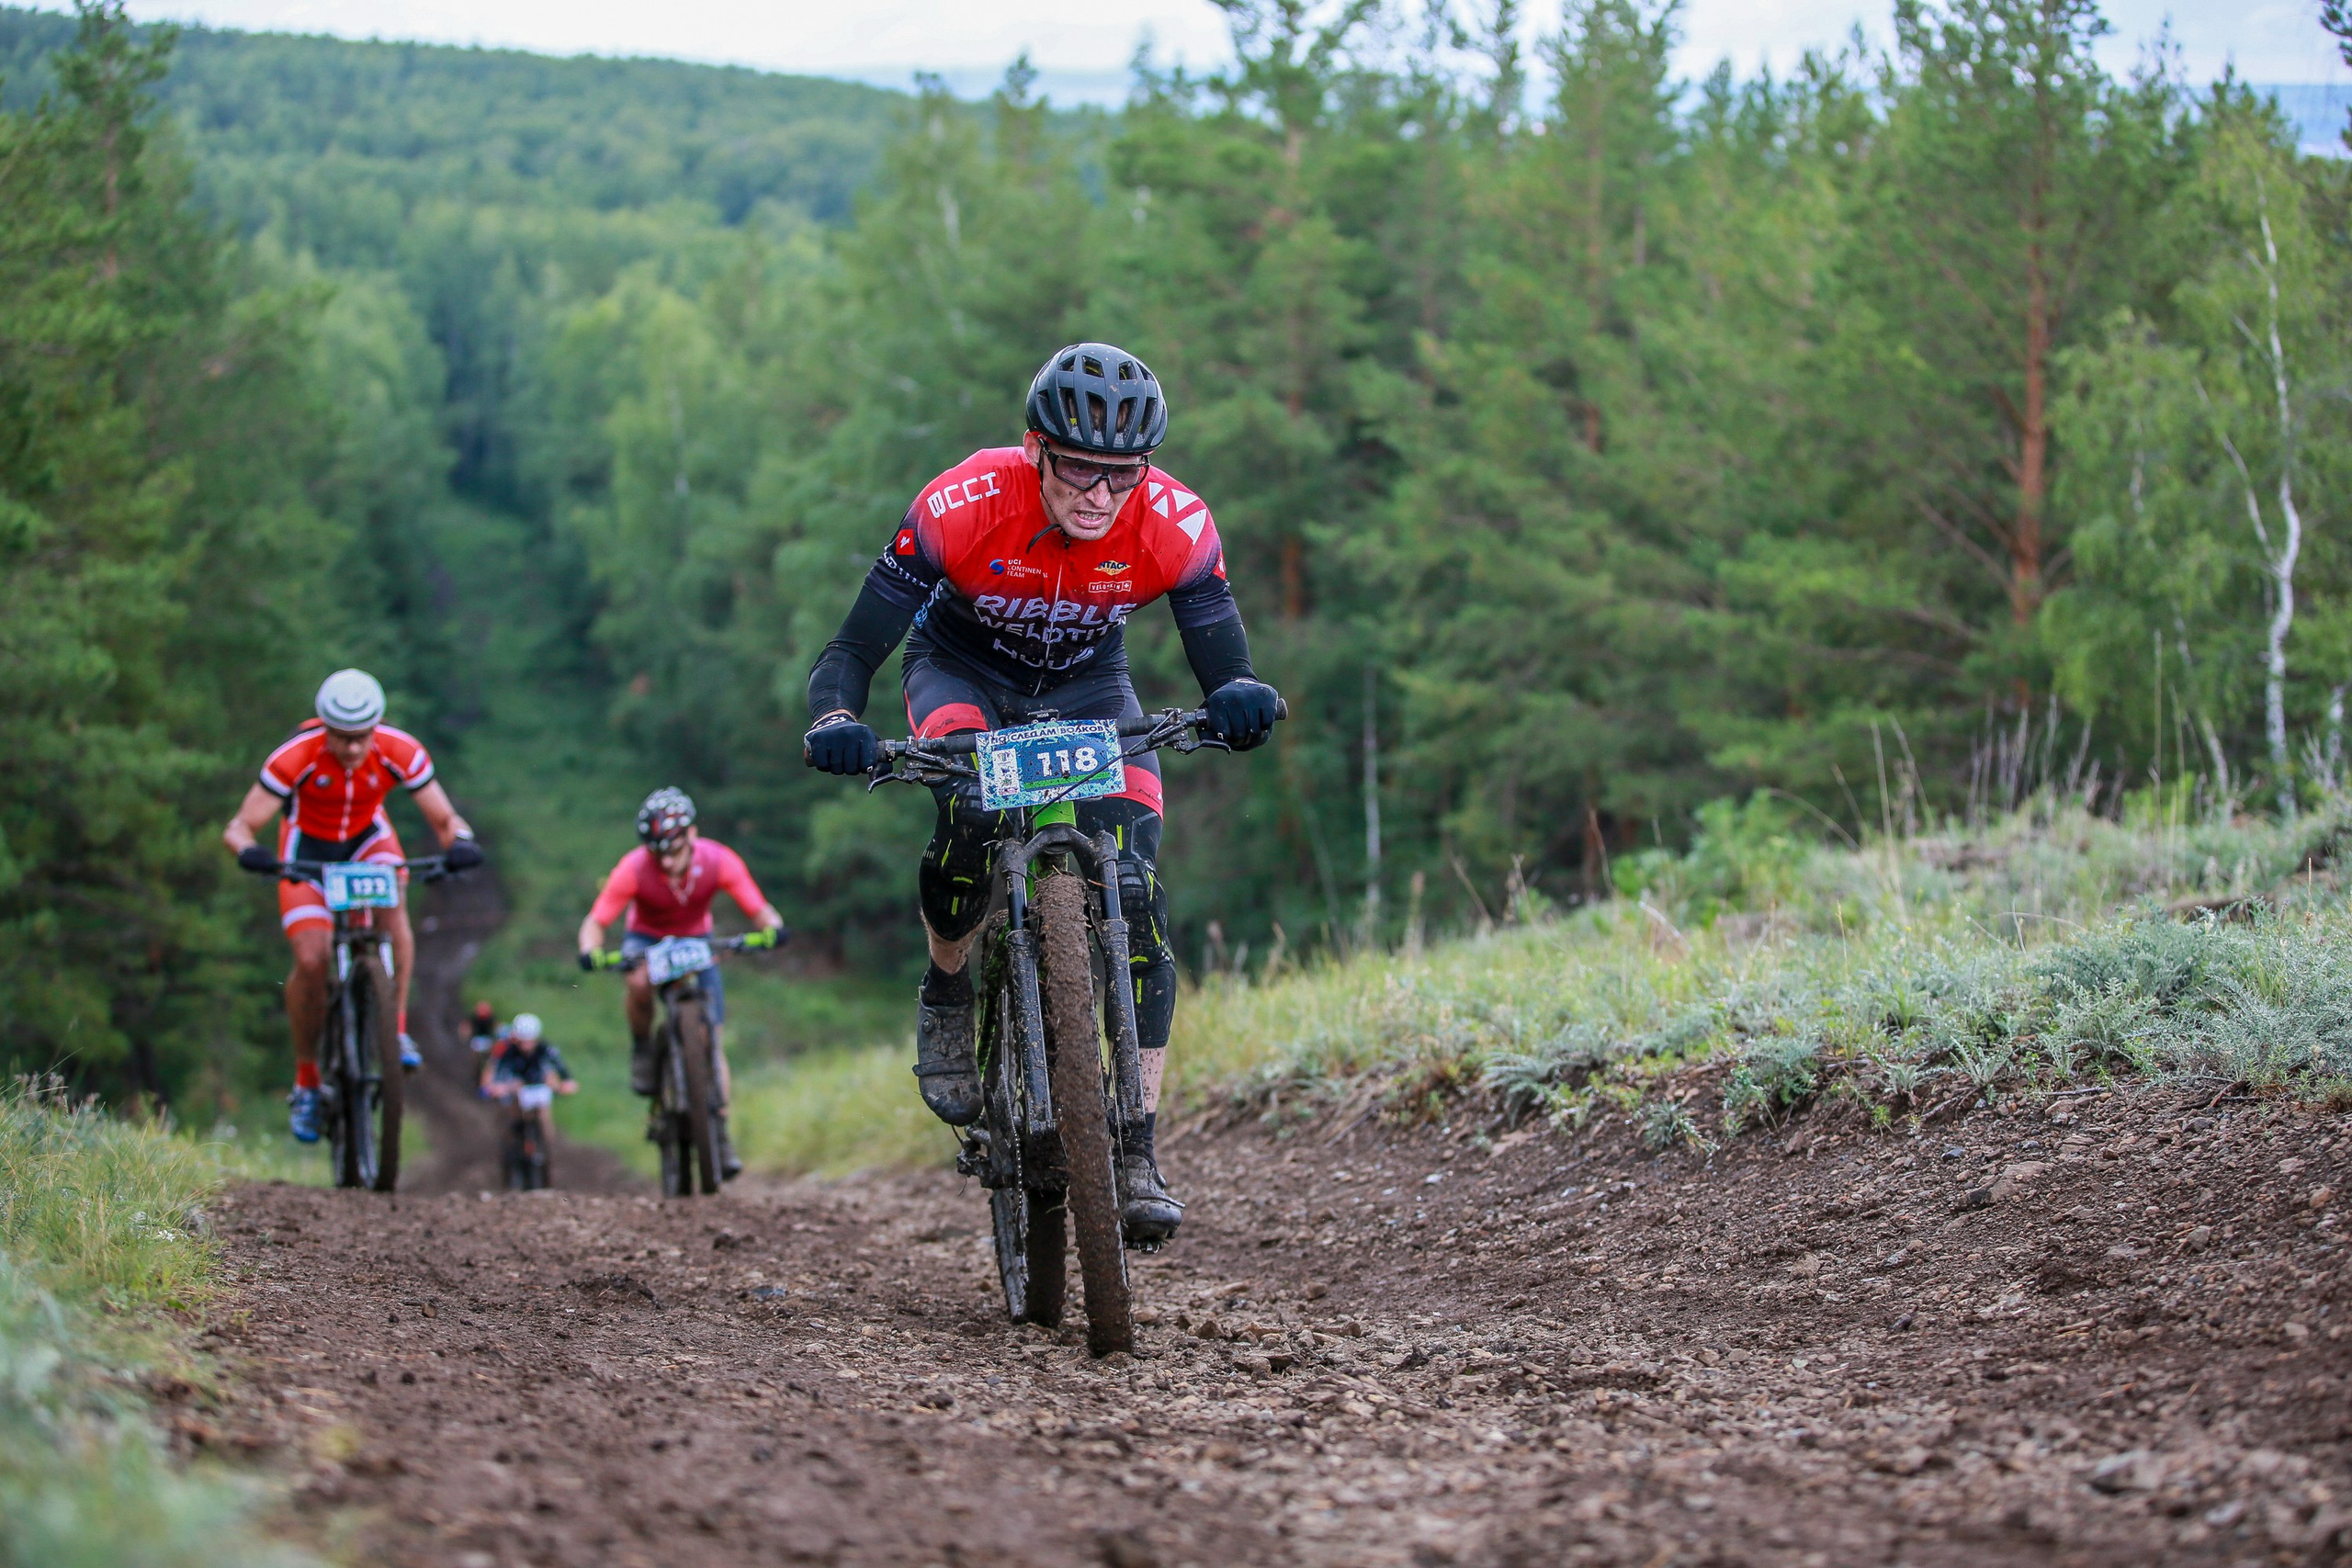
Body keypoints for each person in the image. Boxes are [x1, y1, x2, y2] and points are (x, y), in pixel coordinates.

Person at [801, 343, 1281, 1246]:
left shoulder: (1174, 522)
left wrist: (1239, 695)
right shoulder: (961, 505)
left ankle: (1134, 1146)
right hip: (961, 674)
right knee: (969, 811)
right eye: (1077, 471)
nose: (1099, 496)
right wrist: (835, 719)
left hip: (1089, 691)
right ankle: (948, 990)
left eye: (1121, 475)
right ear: (1034, 449)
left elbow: (1219, 646)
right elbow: (851, 650)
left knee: (1135, 892)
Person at [223, 669, 482, 1143]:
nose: (353, 750)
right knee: (311, 958)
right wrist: (250, 852)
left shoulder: (400, 750)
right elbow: (240, 826)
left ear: (376, 727)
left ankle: (395, 1027)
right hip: (306, 853)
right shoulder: (295, 756)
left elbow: (445, 818)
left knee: (395, 912)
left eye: (362, 738)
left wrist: (461, 841)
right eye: (342, 739)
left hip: (368, 841)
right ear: (325, 728)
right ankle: (306, 1083)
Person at [575, 787, 784, 1179]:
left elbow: (758, 908)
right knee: (637, 983)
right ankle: (641, 1047)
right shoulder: (634, 868)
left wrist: (772, 929)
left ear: (692, 834)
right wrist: (591, 949)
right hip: (646, 938)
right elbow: (596, 921)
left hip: (697, 941)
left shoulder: (718, 859)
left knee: (714, 1037)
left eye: (673, 849)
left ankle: (719, 1130)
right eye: (658, 853)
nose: (667, 861)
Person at [486, 1012, 577, 1165]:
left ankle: (549, 1147)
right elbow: (500, 1070)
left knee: (544, 1115)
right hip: (517, 1088)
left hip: (538, 1087)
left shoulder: (545, 1048)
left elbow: (559, 1065)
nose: (527, 1045)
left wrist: (567, 1081)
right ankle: (512, 1141)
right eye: (523, 1040)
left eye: (530, 1040)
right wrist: (498, 1086)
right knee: (513, 1113)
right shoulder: (509, 1050)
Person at [467, 1001, 507, 1098]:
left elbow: (497, 1027)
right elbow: (467, 1028)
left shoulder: (491, 1019)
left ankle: (485, 1073)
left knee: (490, 1059)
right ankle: (475, 1067)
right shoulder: (474, 1019)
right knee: (475, 1055)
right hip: (477, 1040)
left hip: (487, 1040)